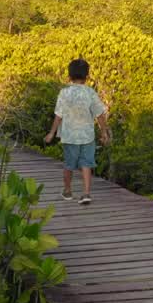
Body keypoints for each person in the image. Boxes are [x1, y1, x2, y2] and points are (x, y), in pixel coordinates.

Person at [44, 58, 111, 205]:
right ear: (87, 76)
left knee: (69, 164)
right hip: (87, 136)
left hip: (70, 136)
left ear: (69, 76)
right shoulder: (90, 93)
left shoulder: (64, 93)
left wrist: (51, 132)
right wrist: (104, 132)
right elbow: (99, 114)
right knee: (86, 163)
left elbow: (58, 115)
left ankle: (67, 191)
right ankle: (86, 193)